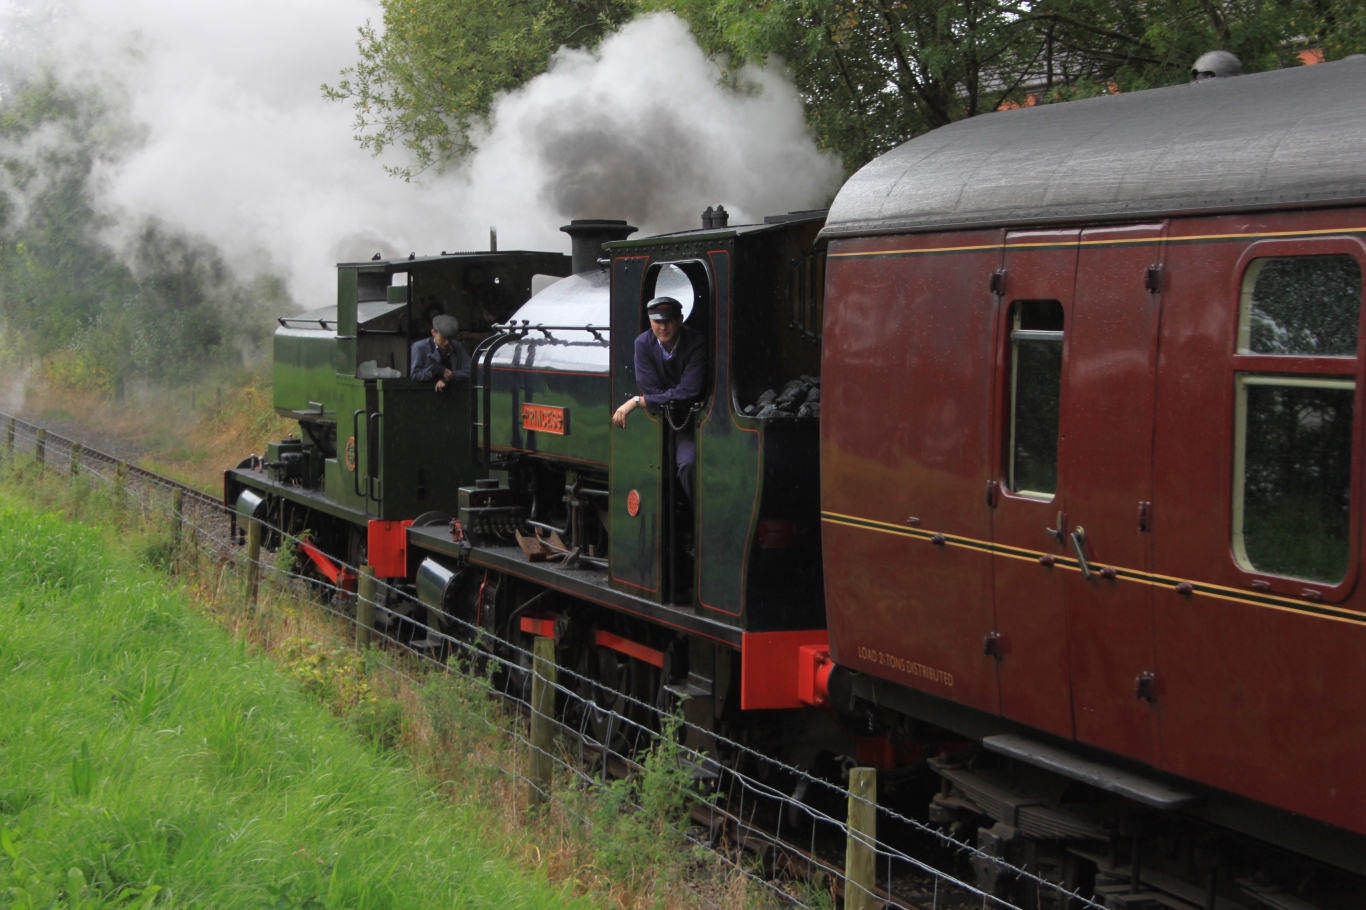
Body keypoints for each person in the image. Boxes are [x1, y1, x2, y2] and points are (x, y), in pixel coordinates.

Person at [612, 296, 707, 503]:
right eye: (658, 322)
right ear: (650, 322)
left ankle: (700, 520)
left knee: (688, 464)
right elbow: (652, 390)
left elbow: (690, 391)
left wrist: (636, 401)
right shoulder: (643, 344)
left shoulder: (695, 342)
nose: (663, 327)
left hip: (690, 423)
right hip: (657, 423)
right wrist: (662, 397)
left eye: (669, 321)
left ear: (680, 319)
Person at [410, 314, 470, 392]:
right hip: (426, 394)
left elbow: (471, 370)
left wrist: (450, 378)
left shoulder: (457, 346)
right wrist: (437, 369)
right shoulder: (420, 348)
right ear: (433, 332)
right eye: (444, 337)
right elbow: (415, 375)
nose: (447, 342)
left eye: (450, 338)